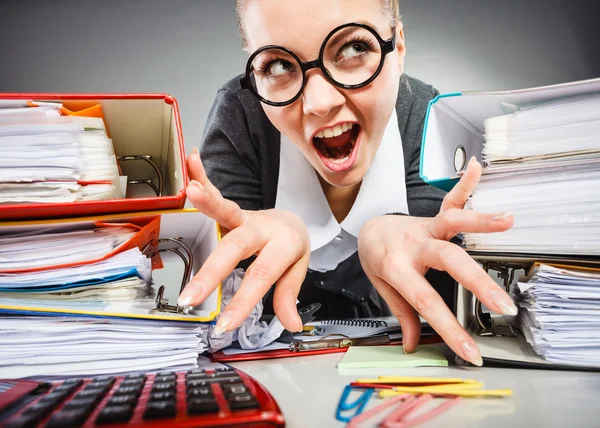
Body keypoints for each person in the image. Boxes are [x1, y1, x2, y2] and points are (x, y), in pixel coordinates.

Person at [177, 0, 517, 367]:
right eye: (278, 65)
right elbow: (209, 324)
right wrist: (241, 260)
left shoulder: (430, 125)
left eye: (354, 48)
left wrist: (405, 237)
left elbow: (445, 312)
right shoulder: (241, 118)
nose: (319, 103)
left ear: (397, 47)